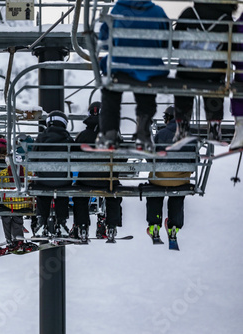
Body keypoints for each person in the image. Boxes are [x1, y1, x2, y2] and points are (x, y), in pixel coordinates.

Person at [97, 0, 169, 152]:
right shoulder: (158, 12)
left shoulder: (117, 10)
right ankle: (142, 133)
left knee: (110, 94)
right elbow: (166, 42)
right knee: (146, 93)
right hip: (149, 71)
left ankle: (109, 133)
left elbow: (104, 40)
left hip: (121, 69)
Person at [173, 2, 237, 142]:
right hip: (212, 74)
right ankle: (214, 126)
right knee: (216, 80)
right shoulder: (226, 19)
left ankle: (183, 126)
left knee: (182, 83)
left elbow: (175, 42)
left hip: (187, 72)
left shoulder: (189, 13)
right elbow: (231, 49)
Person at [71, 102, 122, 242]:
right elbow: (123, 157)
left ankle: (82, 226)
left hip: (86, 181)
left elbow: (73, 157)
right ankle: (111, 226)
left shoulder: (82, 136)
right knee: (114, 195)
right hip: (108, 181)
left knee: (80, 197)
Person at [146, 106, 193, 241]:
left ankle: (154, 225)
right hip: (181, 179)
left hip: (159, 178)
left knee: (154, 192)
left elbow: (150, 157)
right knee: (177, 193)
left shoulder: (160, 134)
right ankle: (174, 227)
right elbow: (195, 160)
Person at [33, 110, 74, 236]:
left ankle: (42, 222)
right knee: (62, 193)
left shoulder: (41, 137)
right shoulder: (68, 138)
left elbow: (33, 158)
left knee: (42, 193)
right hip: (63, 180)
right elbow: (75, 158)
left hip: (43, 180)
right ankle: (61, 222)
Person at [0, 155, 32, 245]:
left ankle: (9, 239)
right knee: (17, 217)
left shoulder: (4, 173)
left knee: (6, 216)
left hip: (9, 204)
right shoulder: (27, 172)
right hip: (23, 203)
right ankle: (18, 238)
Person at [230, 11, 243, 150]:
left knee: (238, 92)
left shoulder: (238, 25)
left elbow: (232, 53)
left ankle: (240, 133)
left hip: (242, 73)